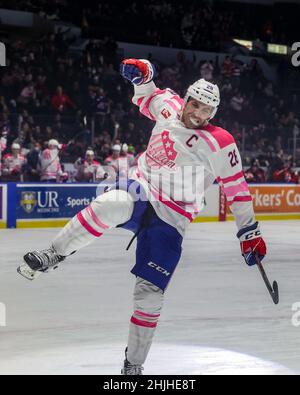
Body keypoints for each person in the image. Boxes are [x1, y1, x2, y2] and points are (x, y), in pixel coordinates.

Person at [18, 58, 267, 375]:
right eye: (195, 104)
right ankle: (53, 253)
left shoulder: (221, 143)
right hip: (142, 189)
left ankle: (133, 365)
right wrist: (143, 73)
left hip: (174, 217)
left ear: (213, 113)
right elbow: (147, 91)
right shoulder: (168, 105)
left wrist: (249, 233)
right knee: (111, 203)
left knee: (149, 296)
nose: (198, 113)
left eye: (206, 110)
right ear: (187, 99)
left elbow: (237, 190)